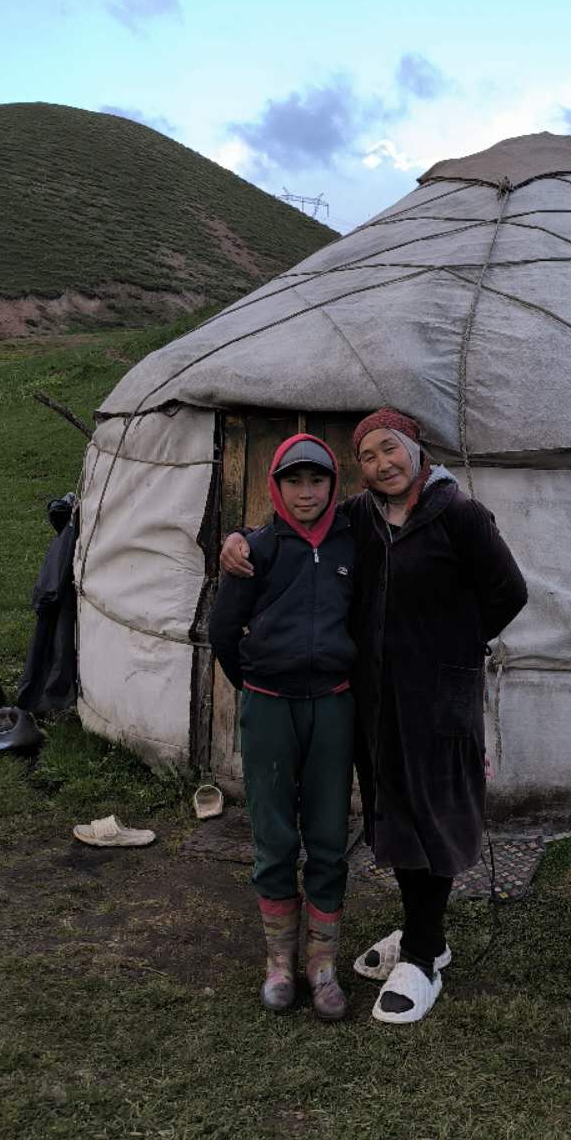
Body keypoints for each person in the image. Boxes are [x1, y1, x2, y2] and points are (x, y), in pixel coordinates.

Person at [222, 407, 527, 1025]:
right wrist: (237, 538)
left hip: (437, 697)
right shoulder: (361, 515)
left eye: (391, 449)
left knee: (432, 814)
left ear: (416, 449)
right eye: (367, 455)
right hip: (377, 697)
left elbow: (509, 594)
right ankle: (423, 935)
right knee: (396, 813)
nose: (382, 463)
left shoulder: (459, 514)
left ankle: (420, 956)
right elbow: (294, 528)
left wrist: (454, 651)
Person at [208, 433, 356, 1021]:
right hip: (270, 703)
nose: (305, 492)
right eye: (293, 481)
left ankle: (322, 966)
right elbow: (224, 631)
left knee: (327, 836)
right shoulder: (257, 548)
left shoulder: (355, 538)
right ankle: (278, 963)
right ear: (275, 485)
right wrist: (256, 683)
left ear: (333, 483)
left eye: (316, 480)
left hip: (334, 703)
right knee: (273, 836)